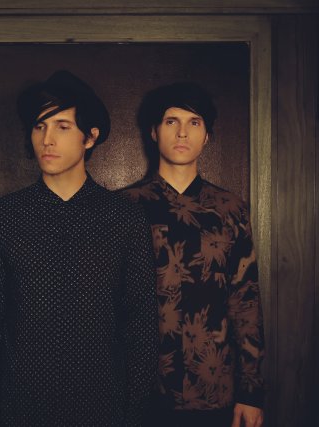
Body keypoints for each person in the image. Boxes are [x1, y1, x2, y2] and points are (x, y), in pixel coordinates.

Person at [0, 70, 158, 426]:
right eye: (39, 126)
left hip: (103, 409)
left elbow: (142, 324)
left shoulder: (124, 218)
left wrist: (135, 414)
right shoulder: (3, 217)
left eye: (62, 126)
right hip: (19, 410)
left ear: (90, 137)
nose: (47, 139)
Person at [124, 82, 265, 427]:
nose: (182, 132)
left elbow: (245, 300)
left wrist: (251, 392)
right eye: (171, 121)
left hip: (213, 388)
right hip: (138, 390)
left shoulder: (230, 209)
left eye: (194, 122)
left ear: (207, 137)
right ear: (154, 132)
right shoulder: (124, 207)